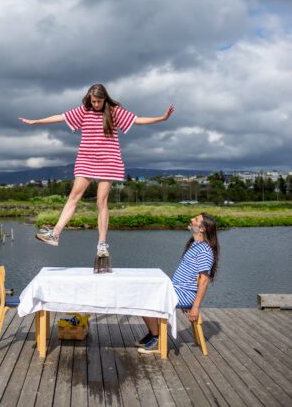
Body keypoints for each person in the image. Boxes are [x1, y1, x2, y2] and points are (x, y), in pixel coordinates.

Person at [19, 83, 174, 258]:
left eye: (99, 101)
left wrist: (162, 118)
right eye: (93, 101)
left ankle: (101, 244)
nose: (96, 104)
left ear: (104, 99)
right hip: (86, 160)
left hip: (108, 161)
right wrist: (36, 121)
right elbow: (61, 117)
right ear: (89, 99)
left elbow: (137, 120)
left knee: (101, 202)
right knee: (73, 197)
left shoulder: (114, 111)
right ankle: (55, 234)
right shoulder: (84, 111)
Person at [137, 213, 219, 354]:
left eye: (196, 219)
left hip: (185, 294)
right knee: (143, 294)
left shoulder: (205, 250)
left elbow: (204, 280)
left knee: (144, 299)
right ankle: (153, 333)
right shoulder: (195, 245)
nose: (192, 219)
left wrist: (195, 306)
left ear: (203, 229)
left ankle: (156, 337)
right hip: (178, 290)